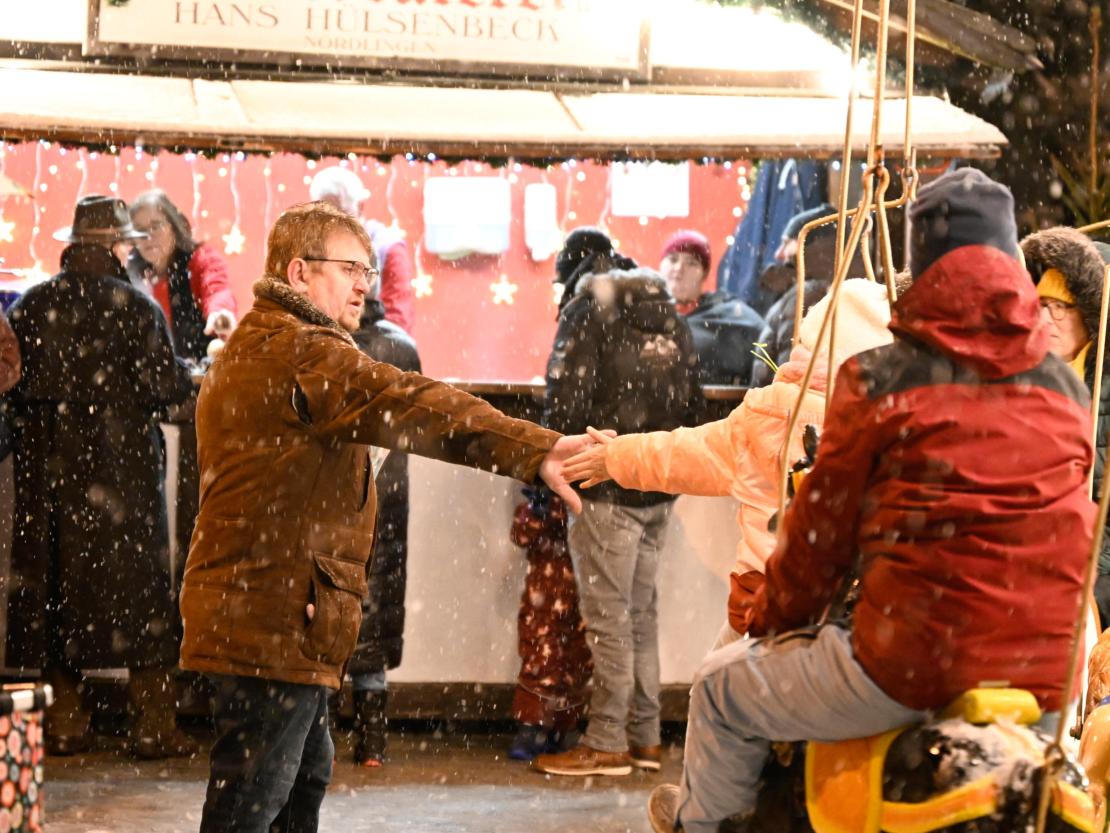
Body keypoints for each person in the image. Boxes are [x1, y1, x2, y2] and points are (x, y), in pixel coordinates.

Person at [644, 169, 1096, 833]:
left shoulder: (878, 378)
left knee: (718, 689)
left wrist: (772, 616)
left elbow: (818, 542)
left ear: (921, 266)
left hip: (911, 663)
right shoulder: (1067, 390)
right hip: (1046, 676)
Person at [179, 200, 591, 833]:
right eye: (348, 268)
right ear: (298, 273)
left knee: (297, 777)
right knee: (254, 797)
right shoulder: (304, 352)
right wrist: (532, 449)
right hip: (273, 609)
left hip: (266, 604)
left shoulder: (254, 346)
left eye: (367, 271)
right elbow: (410, 400)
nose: (363, 284)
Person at [563, 279, 893, 647]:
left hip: (765, 600)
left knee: (712, 692)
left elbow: (685, 453)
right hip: (857, 606)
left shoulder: (770, 412)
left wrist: (616, 456)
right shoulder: (894, 425)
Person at [5, 196, 197, 758]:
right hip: (123, 483)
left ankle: (64, 723)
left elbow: (10, 384)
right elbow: (168, 393)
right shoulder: (138, 310)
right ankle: (152, 726)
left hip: (50, 480)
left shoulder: (33, 306)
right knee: (141, 602)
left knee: (55, 597)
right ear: (117, 246)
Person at [532, 230, 703, 778]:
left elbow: (566, 401)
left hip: (604, 487)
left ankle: (607, 740)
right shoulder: (669, 316)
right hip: (658, 483)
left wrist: (553, 460)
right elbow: (694, 404)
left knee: (608, 619)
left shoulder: (588, 312)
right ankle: (647, 739)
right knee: (640, 614)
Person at [343, 272, 423, 768]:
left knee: (328, 611)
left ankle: (319, 742)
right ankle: (372, 743)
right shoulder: (402, 347)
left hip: (333, 498)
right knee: (377, 603)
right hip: (389, 494)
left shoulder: (323, 344)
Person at [1020, 228, 1110, 626]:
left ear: (1091, 316)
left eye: (1063, 306)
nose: (1046, 317)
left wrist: (1090, 590)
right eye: (1041, 303)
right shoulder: (1019, 380)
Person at [749, 203, 865, 387]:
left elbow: (792, 376)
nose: (779, 253)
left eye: (787, 242)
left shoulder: (808, 294)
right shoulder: (852, 288)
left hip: (792, 411)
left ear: (810, 243)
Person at [127, 189, 238, 363]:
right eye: (140, 231)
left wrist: (219, 312)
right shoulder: (133, 274)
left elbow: (217, 289)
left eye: (155, 226)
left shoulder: (200, 259)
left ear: (174, 227)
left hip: (204, 379)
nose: (148, 237)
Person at [309, 165, 416, 333]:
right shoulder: (312, 249)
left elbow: (397, 323)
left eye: (341, 211)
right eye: (323, 214)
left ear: (360, 206)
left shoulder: (388, 248)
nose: (332, 222)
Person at [658, 230, 765, 386]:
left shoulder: (734, 317)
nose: (679, 268)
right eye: (673, 259)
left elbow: (768, 353)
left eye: (691, 263)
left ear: (704, 274)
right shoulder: (641, 316)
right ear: (660, 266)